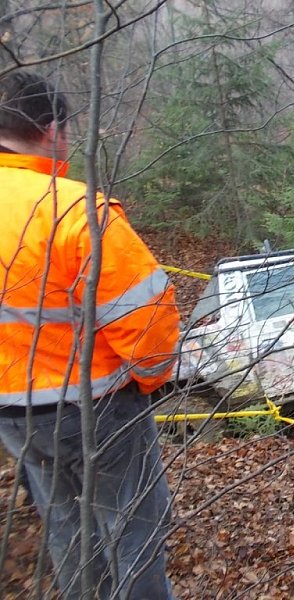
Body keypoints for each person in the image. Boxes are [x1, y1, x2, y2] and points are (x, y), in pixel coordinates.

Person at [0, 71, 180, 599]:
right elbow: (146, 316)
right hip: (98, 405)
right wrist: (148, 379)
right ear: (52, 128)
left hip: (13, 415)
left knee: (66, 530)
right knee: (135, 534)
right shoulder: (76, 210)